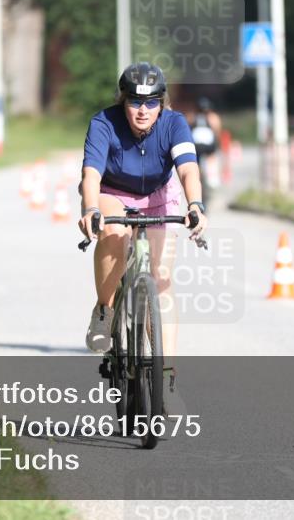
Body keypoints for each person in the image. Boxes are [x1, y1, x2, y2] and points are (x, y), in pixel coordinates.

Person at [78, 63, 208, 366]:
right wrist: (91, 210)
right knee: (114, 234)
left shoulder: (174, 123)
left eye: (151, 102)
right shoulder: (104, 123)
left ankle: (167, 376)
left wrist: (195, 205)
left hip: (159, 196)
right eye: (135, 101)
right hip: (113, 194)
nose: (143, 110)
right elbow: (91, 174)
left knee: (161, 279)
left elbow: (188, 169)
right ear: (123, 100)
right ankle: (104, 310)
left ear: (161, 103)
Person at [188, 97, 223, 192]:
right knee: (211, 158)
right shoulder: (213, 117)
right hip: (209, 146)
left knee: (196, 163)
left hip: (196, 146)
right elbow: (217, 132)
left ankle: (197, 179)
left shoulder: (192, 117)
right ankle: (212, 179)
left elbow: (187, 131)